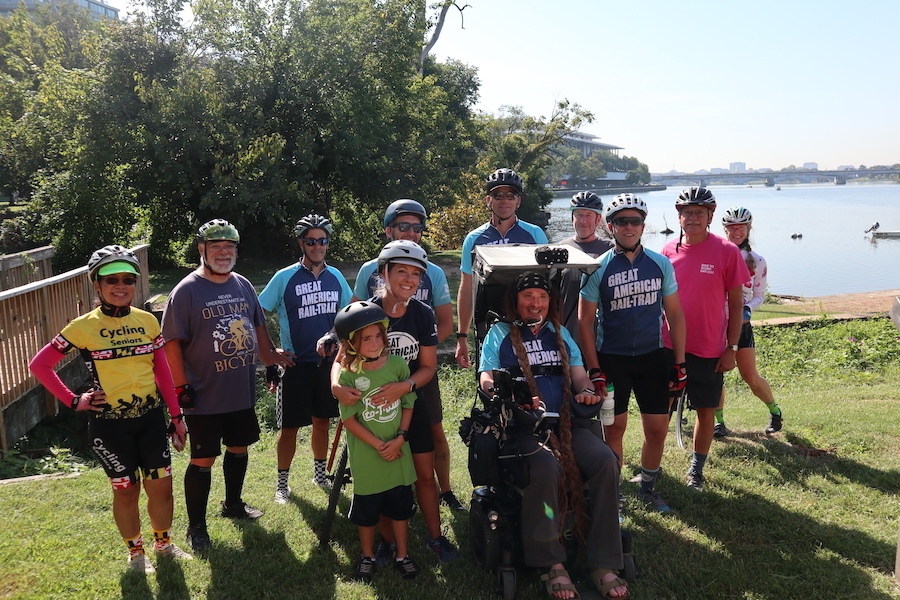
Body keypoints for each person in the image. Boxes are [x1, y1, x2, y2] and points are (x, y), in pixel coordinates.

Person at [29, 245, 191, 573]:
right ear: (97, 286)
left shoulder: (147, 321)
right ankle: (136, 554)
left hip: (150, 419)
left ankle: (163, 545)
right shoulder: (82, 326)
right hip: (109, 426)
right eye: (111, 279)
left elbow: (162, 371)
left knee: (161, 487)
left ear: (135, 283)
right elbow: (40, 365)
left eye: (128, 279)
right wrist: (74, 400)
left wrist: (177, 416)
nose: (121, 285)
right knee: (127, 491)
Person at [479, 271, 628, 600]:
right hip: (521, 428)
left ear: (551, 302)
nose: (535, 303)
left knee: (605, 460)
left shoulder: (559, 333)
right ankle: (551, 564)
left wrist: (587, 392)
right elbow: (486, 375)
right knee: (546, 467)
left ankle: (602, 561)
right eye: (528, 296)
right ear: (515, 301)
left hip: (566, 423)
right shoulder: (500, 333)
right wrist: (498, 392)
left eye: (542, 297)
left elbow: (579, 376)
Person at [332, 240, 458, 563]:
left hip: (412, 400)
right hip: (374, 410)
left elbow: (428, 366)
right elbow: (341, 356)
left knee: (424, 473)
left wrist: (404, 386)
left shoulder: (423, 313)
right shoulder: (366, 312)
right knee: (384, 476)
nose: (409, 279)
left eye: (416, 274)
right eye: (401, 271)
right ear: (384, 273)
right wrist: (336, 386)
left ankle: (435, 537)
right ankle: (387, 541)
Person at [161, 219, 283, 552]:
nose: (224, 253)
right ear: (201, 249)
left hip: (239, 389)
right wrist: (180, 387)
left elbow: (259, 328)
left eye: (229, 247)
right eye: (216, 246)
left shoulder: (243, 284)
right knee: (203, 460)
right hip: (203, 393)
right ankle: (196, 527)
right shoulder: (185, 291)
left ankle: (232, 504)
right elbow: (171, 343)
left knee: (239, 447)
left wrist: (270, 363)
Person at [352, 199, 464, 512]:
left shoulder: (434, 272)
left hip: (418, 367)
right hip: (379, 368)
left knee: (433, 429)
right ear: (388, 230)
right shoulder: (369, 270)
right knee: (384, 428)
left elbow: (444, 322)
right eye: (404, 226)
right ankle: (394, 494)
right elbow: (354, 316)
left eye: (417, 227)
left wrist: (416, 345)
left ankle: (445, 490)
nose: (411, 232)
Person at [578, 193, 686, 513]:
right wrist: (595, 369)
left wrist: (679, 363)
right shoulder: (598, 267)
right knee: (614, 429)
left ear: (643, 225)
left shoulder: (660, 264)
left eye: (635, 221)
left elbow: (675, 316)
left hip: (653, 357)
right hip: (612, 359)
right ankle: (614, 494)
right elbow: (585, 322)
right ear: (610, 227)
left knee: (656, 429)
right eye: (621, 221)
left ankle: (648, 487)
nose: (629, 227)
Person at [661, 189, 750, 491]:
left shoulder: (727, 251)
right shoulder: (667, 251)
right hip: (669, 346)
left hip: (709, 348)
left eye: (699, 212)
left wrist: (732, 348)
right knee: (661, 407)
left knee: (705, 409)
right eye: (687, 212)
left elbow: (737, 304)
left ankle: (696, 469)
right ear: (679, 216)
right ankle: (653, 466)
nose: (693, 217)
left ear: (710, 215)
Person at [259, 214, 352, 502]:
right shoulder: (284, 277)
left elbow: (348, 315)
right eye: (311, 241)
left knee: (322, 421)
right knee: (289, 429)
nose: (317, 246)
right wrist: (271, 352)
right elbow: (257, 314)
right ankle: (282, 484)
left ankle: (320, 474)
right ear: (301, 243)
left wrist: (335, 338)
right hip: (294, 364)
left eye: (322, 241)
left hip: (328, 364)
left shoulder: (335, 276)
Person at [333, 301, 419, 583]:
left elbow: (408, 404)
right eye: (365, 338)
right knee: (367, 514)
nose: (373, 342)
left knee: (400, 509)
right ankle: (367, 556)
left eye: (378, 336)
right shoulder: (350, 375)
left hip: (399, 453)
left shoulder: (397, 365)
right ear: (352, 344)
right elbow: (350, 420)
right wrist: (378, 445)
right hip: (368, 459)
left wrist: (400, 438)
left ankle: (402, 555)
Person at [456, 168, 549, 368]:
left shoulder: (535, 235)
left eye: (510, 195)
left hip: (528, 319)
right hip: (489, 321)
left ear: (518, 201)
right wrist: (462, 336)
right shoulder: (473, 239)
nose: (504, 200)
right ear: (489, 200)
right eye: (498, 195)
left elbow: (546, 285)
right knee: (492, 383)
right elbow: (466, 288)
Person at [714, 207, 783, 437]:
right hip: (714, 324)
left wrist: (747, 309)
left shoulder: (758, 261)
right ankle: (719, 423)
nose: (736, 231)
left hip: (741, 326)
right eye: (731, 227)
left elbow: (759, 295)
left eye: (740, 227)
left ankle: (775, 412)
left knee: (750, 376)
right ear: (725, 229)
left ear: (748, 229)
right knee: (715, 379)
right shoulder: (715, 256)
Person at [557, 191, 613, 344]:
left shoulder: (610, 249)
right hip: (568, 334)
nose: (583, 220)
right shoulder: (559, 249)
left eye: (589, 215)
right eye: (579, 215)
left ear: (598, 219)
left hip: (604, 335)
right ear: (572, 217)